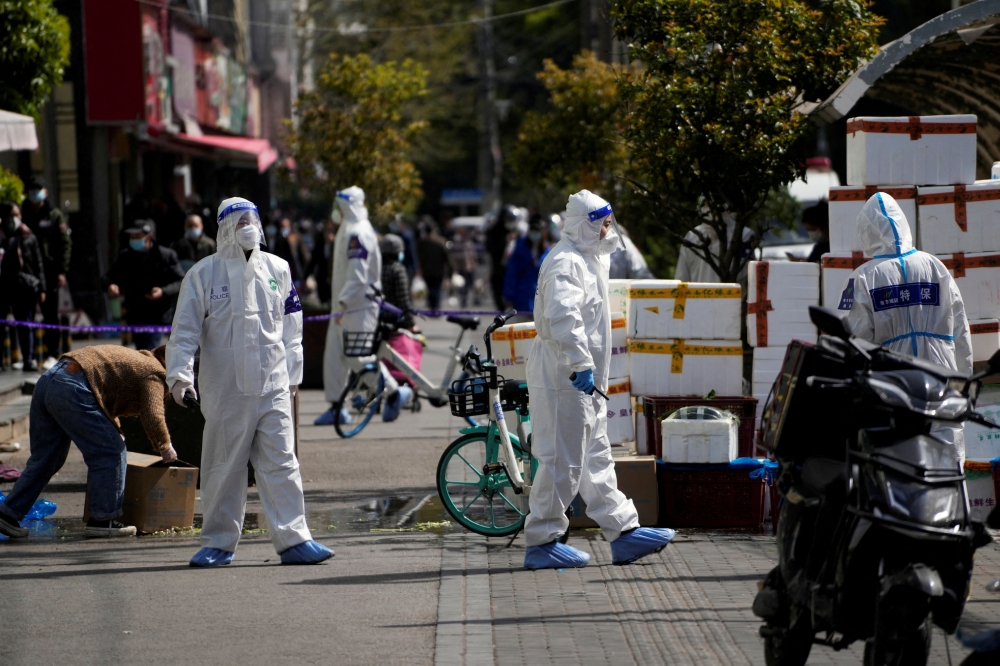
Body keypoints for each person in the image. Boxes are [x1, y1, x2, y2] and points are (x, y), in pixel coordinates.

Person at [166, 197, 332, 567]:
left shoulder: (279, 268)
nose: (249, 226)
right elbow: (185, 331)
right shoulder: (203, 274)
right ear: (225, 228)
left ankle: (295, 539)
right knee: (223, 467)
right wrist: (179, 377)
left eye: (253, 219)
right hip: (226, 390)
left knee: (282, 463)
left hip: (273, 385)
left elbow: (292, 329)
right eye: (240, 221)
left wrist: (293, 375)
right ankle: (219, 543)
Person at [524, 190, 676, 569]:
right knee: (562, 460)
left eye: (609, 222)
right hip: (565, 375)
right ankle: (542, 541)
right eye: (602, 224)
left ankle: (624, 532)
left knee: (594, 457)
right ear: (582, 226)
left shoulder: (588, 260)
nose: (609, 230)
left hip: (582, 377)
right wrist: (579, 363)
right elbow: (563, 317)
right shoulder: (566, 263)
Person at [838, 192, 972, 462]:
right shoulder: (935, 267)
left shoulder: (861, 278)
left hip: (892, 386)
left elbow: (851, 340)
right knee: (947, 468)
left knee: (898, 470)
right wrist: (964, 383)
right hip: (941, 380)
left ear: (866, 232)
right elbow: (960, 329)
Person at [0, 345, 178, 540]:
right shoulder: (154, 374)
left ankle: (7, 514)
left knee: (46, 458)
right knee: (110, 453)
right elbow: (153, 415)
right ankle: (103, 520)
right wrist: (165, 447)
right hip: (73, 386)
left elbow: (106, 401)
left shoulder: (138, 363)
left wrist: (116, 431)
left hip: (48, 380)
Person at [316, 186, 411, 426]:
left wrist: (343, 302)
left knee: (356, 357)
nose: (336, 210)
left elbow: (358, 276)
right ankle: (336, 407)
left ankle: (394, 391)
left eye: (340, 205)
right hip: (345, 306)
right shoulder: (348, 229)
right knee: (335, 357)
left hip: (356, 306)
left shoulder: (358, 232)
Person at [102, 222, 185, 351]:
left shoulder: (165, 256)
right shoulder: (125, 257)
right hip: (136, 314)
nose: (134, 240)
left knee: (149, 350)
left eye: (138, 236)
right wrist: (110, 286)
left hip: (158, 315)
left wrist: (162, 291)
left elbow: (181, 281)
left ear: (149, 236)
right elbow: (108, 277)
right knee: (142, 351)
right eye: (132, 236)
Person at [20, 176, 70, 360]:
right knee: (26, 314)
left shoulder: (54, 214)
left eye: (38, 189)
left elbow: (65, 243)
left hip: (49, 270)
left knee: (50, 314)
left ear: (45, 192)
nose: (34, 193)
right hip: (27, 271)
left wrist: (61, 271)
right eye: (31, 190)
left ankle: (52, 353)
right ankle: (28, 355)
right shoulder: (21, 213)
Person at [0, 202, 46, 370]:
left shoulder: (28, 236)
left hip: (23, 287)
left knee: (25, 324)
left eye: (18, 215)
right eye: (12, 215)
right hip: (3, 286)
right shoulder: (2, 237)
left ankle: (29, 359)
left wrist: (41, 288)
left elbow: (38, 263)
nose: (16, 219)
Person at [674, 215, 755, 282]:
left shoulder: (744, 235)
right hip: (698, 299)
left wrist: (717, 241)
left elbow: (746, 275)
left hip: (732, 299)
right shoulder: (692, 236)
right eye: (705, 204)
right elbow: (681, 278)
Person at [503, 212, 550, 315]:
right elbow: (511, 275)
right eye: (533, 230)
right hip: (521, 301)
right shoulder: (519, 250)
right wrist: (509, 298)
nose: (535, 233)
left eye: (538, 231)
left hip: (541, 304)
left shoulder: (547, 252)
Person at [380, 234, 416, 331]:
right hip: (396, 320)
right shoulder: (398, 269)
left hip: (378, 318)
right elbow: (403, 299)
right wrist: (411, 323)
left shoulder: (376, 268)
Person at [416, 220, 452, 311]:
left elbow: (419, 257)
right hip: (438, 270)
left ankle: (433, 306)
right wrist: (450, 269)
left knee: (430, 288)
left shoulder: (422, 243)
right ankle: (436, 306)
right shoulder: (440, 242)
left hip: (427, 270)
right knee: (436, 288)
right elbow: (446, 257)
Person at [270, 216, 311, 287]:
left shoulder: (296, 236)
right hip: (281, 269)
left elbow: (304, 253)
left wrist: (307, 272)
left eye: (285, 226)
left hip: (294, 269)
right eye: (281, 226)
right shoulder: (278, 238)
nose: (283, 228)